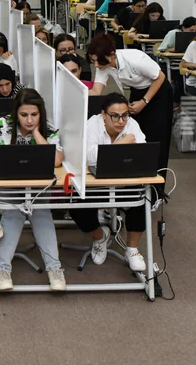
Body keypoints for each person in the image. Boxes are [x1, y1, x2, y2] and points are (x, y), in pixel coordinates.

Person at [0, 89, 66, 290]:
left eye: (34, 115)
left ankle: (54, 269)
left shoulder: (48, 129)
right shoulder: (1, 126)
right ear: (16, 113)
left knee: (41, 213)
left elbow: (56, 160)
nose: (29, 120)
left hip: (37, 190)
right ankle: (3, 270)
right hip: (6, 189)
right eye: (24, 115)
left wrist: (36, 133)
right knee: (14, 212)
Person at [71, 92, 152, 272]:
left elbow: (143, 152)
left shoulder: (132, 124)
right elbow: (89, 157)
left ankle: (132, 249)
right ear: (103, 115)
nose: (121, 121)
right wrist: (121, 145)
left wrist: (110, 152)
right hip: (96, 180)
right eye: (115, 116)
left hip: (125, 178)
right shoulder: (92, 124)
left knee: (142, 199)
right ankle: (100, 237)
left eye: (124, 115)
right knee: (76, 206)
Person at [87, 34, 171, 197]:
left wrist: (144, 101)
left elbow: (160, 77)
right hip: (138, 92)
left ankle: (157, 192)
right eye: (94, 61)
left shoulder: (135, 59)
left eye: (99, 61)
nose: (96, 65)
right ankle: (134, 185)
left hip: (158, 92)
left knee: (157, 139)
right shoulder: (104, 65)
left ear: (111, 54)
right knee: (135, 133)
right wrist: (77, 92)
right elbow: (96, 90)